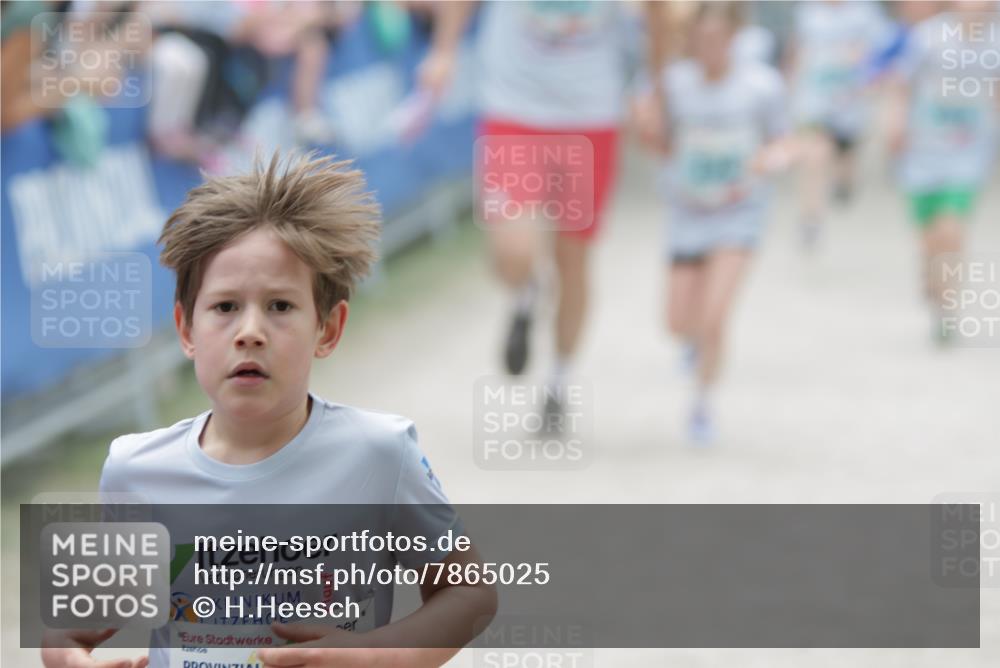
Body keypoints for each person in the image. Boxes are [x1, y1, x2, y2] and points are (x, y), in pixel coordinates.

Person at [41, 151, 497, 668]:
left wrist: (372, 654)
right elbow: (70, 631)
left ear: (327, 328)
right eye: (225, 307)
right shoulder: (137, 471)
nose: (250, 331)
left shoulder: (378, 454)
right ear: (187, 329)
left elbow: (470, 596)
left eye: (280, 306)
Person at [419, 1, 668, 415]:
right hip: (515, 107)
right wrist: (443, 50)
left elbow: (658, 13)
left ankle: (559, 381)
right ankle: (525, 295)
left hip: (590, 115)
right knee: (513, 253)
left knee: (573, 260)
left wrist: (652, 89)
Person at [657, 2, 792, 445]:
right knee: (678, 321)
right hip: (688, 213)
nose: (711, 48)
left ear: (736, 36)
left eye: (720, 38)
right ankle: (693, 343)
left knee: (715, 314)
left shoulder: (761, 87)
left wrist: (769, 159)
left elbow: (784, 142)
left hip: (739, 214)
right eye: (703, 39)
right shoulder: (674, 85)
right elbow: (660, 140)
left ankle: (701, 404)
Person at [887, 1, 999, 344]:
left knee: (952, 230)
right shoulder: (929, 38)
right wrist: (895, 122)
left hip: (968, 152)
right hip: (923, 151)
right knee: (930, 237)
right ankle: (932, 279)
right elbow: (900, 83)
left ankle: (948, 308)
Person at [787, 0, 892, 248]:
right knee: (814, 155)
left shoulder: (865, 11)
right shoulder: (808, 11)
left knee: (845, 160)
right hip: (814, 98)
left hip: (851, 100)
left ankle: (844, 183)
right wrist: (790, 84)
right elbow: (796, 50)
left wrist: (869, 69)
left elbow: (883, 51)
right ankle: (810, 218)